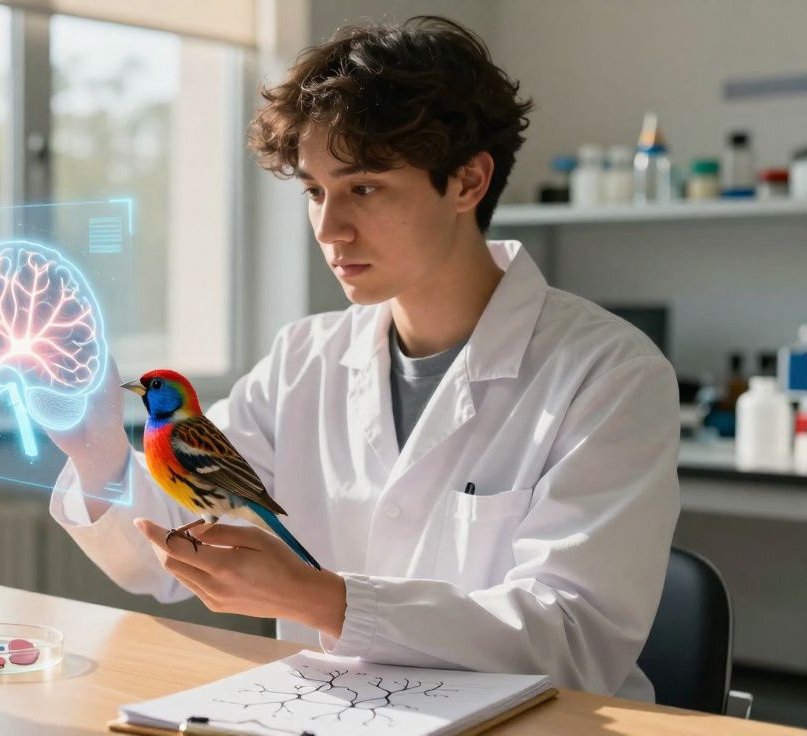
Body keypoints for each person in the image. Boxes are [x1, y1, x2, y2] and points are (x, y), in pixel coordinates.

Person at [46, 15, 679, 702]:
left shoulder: (609, 376)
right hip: (320, 713)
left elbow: (573, 639)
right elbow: (171, 547)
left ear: (468, 182)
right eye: (315, 190)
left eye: (365, 187)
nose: (328, 227)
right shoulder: (304, 361)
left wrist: (331, 602)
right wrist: (98, 450)